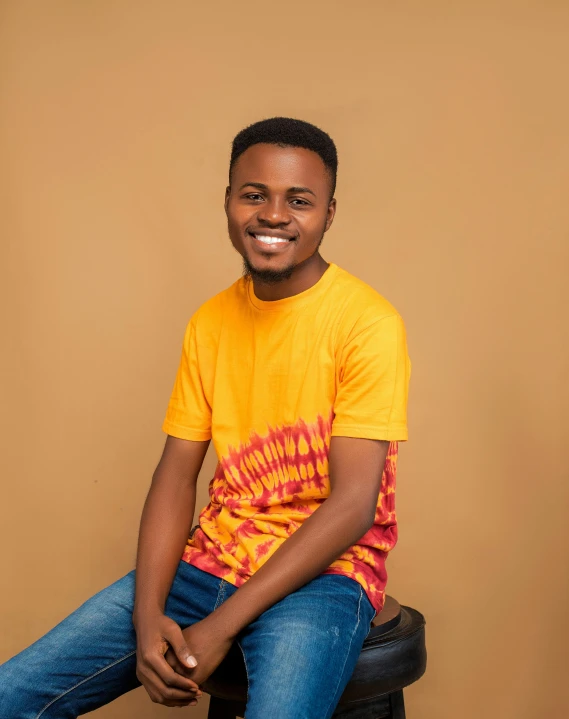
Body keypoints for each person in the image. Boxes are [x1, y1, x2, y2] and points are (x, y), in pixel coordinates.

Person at [0, 117, 411, 718]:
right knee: (13, 696)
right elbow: (174, 476)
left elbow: (352, 505)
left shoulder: (368, 324)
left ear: (328, 213)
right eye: (254, 195)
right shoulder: (210, 322)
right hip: (210, 562)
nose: (274, 215)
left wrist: (221, 626)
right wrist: (147, 619)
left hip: (324, 576)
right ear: (228, 202)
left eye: (299, 200)